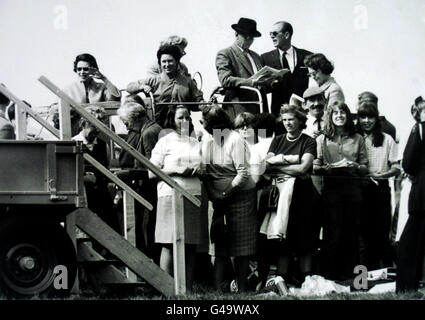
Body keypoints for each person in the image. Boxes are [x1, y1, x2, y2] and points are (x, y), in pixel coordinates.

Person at [258, 104, 317, 288]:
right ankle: (283, 277)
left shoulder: (308, 141)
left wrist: (279, 165)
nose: (287, 123)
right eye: (284, 120)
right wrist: (290, 166)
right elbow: (265, 166)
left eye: (291, 119)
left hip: (303, 195)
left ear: (300, 120)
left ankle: (306, 277)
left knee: (305, 236)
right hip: (280, 195)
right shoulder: (278, 140)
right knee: (282, 236)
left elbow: (303, 168)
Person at [149, 104, 206, 292]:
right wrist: (176, 170)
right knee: (169, 243)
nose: (185, 121)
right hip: (169, 194)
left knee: (190, 245)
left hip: (193, 195)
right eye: (180, 117)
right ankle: (166, 288)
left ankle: (186, 289)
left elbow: (204, 168)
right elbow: (152, 171)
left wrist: (200, 170)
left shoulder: (195, 142)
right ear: (171, 119)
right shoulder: (165, 141)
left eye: (188, 117)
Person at [200, 104, 257, 293]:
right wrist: (214, 195)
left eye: (207, 121)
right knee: (219, 246)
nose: (204, 125)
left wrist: (225, 195)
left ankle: (242, 289)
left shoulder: (236, 140)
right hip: (217, 200)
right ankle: (217, 289)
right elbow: (205, 172)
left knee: (241, 247)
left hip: (241, 197)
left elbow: (243, 174)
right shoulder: (207, 140)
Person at [314, 102, 368, 280]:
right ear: (330, 116)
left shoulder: (358, 138)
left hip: (353, 187)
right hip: (331, 187)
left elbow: (364, 167)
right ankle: (330, 276)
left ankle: (352, 277)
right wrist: (325, 168)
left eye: (342, 112)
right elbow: (316, 165)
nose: (339, 115)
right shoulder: (322, 139)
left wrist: (356, 165)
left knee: (352, 232)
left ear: (347, 116)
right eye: (335, 113)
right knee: (333, 233)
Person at [116, 97, 162, 263]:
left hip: (151, 190)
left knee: (148, 227)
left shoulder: (148, 133)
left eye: (126, 122)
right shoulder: (152, 128)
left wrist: (128, 174)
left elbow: (154, 169)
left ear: (135, 119)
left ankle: (152, 264)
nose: (127, 127)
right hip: (151, 189)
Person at [356, 101, 400, 270]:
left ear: (376, 118)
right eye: (363, 117)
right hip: (361, 188)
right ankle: (363, 276)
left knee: (381, 231)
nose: (366, 121)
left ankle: (384, 272)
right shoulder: (356, 138)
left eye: (370, 117)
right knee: (362, 234)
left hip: (380, 188)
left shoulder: (387, 139)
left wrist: (382, 174)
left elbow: (396, 167)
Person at [126, 45, 203, 127]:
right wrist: (141, 87)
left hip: (184, 126)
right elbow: (129, 87)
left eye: (170, 61)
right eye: (164, 61)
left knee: (188, 140)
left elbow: (196, 103)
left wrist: (204, 105)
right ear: (160, 63)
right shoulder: (154, 81)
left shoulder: (188, 82)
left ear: (177, 61)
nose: (167, 64)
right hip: (160, 126)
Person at [72, 106, 120, 235]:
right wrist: (85, 178)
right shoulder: (73, 144)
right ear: (83, 123)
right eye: (94, 126)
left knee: (111, 230)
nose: (97, 130)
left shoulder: (103, 145)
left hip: (102, 196)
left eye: (100, 126)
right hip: (84, 197)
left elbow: (107, 168)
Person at [396, 99, 425, 293]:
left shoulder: (419, 128)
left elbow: (408, 163)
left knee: (410, 244)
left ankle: (407, 288)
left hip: (422, 194)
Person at [215, 17, 267, 120]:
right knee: (242, 135)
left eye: (251, 37)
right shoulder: (225, 54)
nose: (249, 40)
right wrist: (251, 82)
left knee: (262, 135)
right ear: (236, 34)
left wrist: (270, 81)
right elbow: (225, 80)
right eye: (245, 36)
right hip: (239, 108)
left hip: (260, 107)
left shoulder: (256, 56)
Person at [261, 21, 312, 117]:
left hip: (301, 113)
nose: (272, 36)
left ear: (287, 35)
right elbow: (263, 89)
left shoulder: (306, 56)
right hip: (279, 115)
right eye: (270, 34)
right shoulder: (265, 58)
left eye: (275, 33)